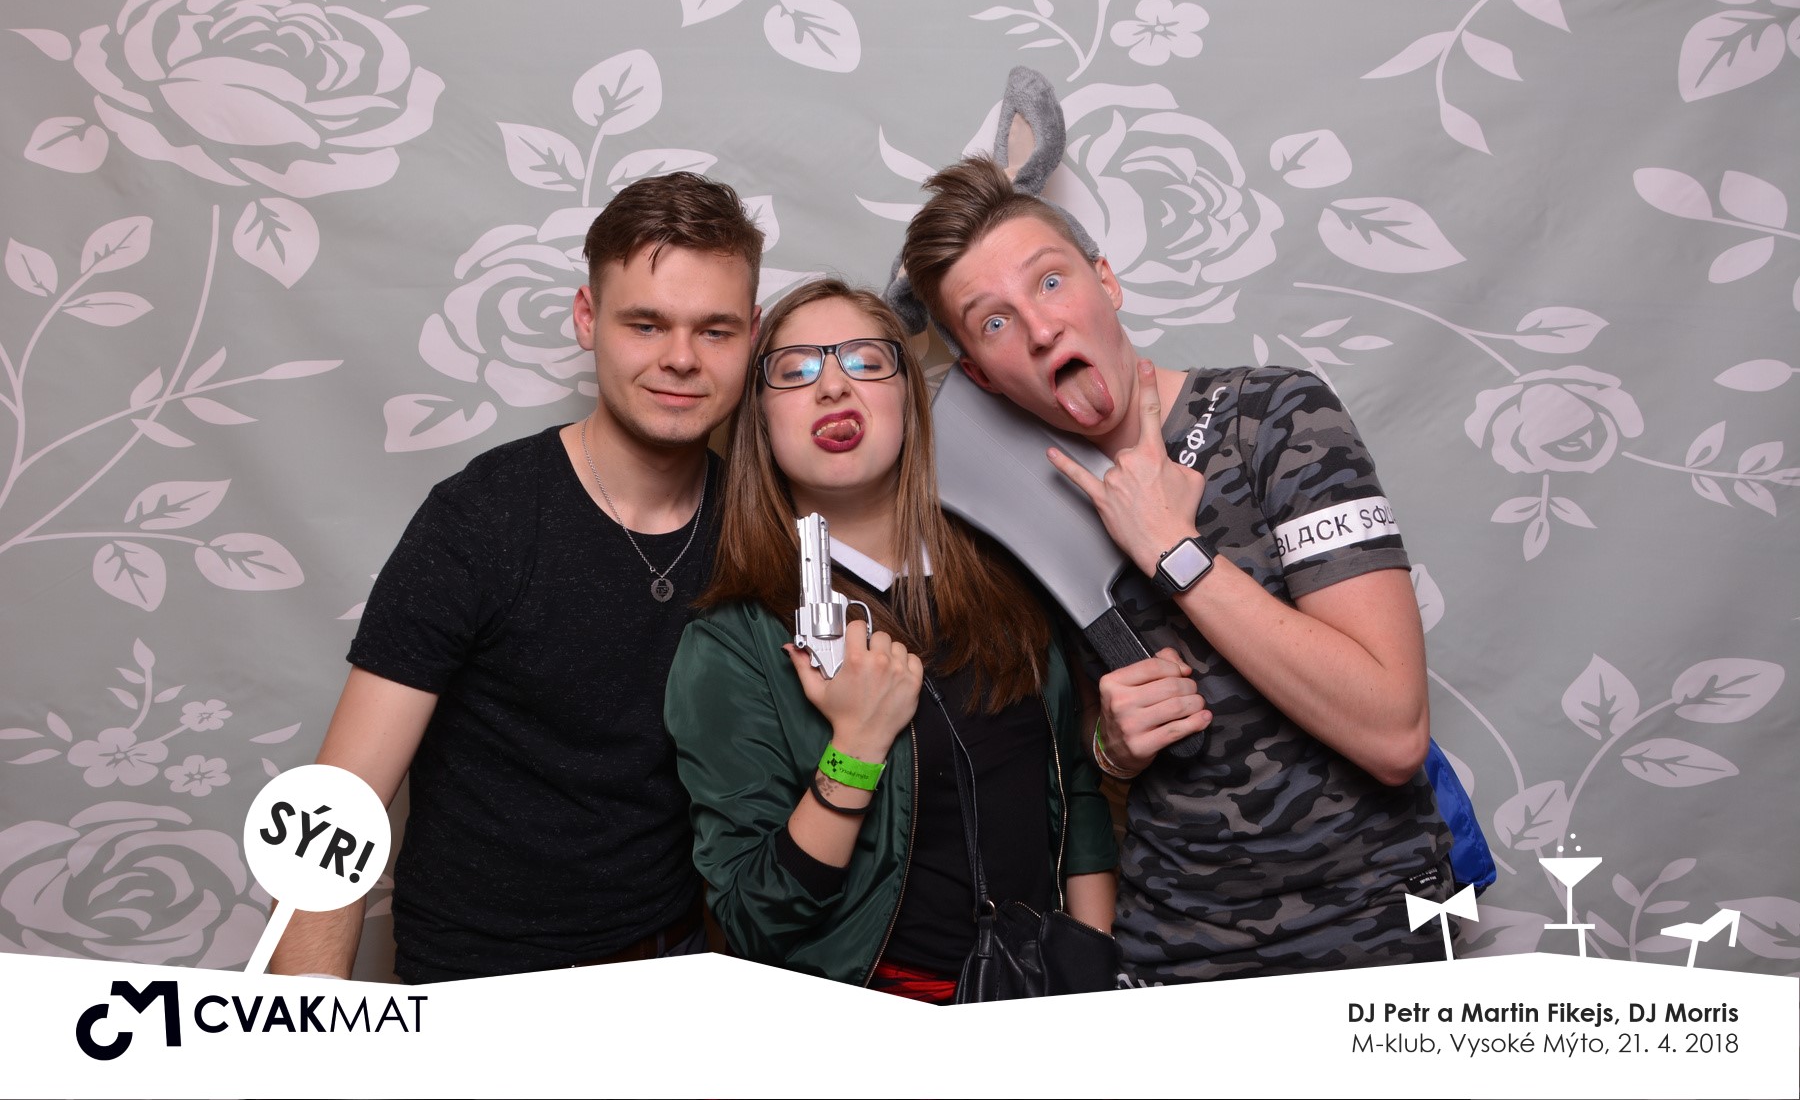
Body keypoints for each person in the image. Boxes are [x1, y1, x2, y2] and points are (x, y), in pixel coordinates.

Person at [899, 156, 1453, 983]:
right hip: (1173, 947)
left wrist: (1175, 552)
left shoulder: (1275, 419)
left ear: (1106, 281)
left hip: (1375, 927)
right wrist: (1114, 748)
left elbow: (1394, 732)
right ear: (981, 375)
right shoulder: (1021, 515)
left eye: (1050, 282)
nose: (1041, 329)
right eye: (996, 322)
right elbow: (1083, 747)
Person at [268, 171, 765, 983]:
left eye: (714, 330)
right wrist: (312, 1034)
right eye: (645, 323)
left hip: (672, 972)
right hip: (476, 986)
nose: (680, 358)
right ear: (587, 318)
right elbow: (333, 813)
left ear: (752, 334)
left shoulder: (760, 527)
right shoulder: (480, 519)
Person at [663, 278, 1116, 1001]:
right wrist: (856, 747)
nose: (832, 386)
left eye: (866, 361)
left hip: (1045, 990)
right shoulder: (731, 644)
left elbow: (1075, 793)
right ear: (760, 419)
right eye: (795, 370)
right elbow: (753, 921)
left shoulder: (1009, 573)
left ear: (908, 395)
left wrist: (1089, 968)